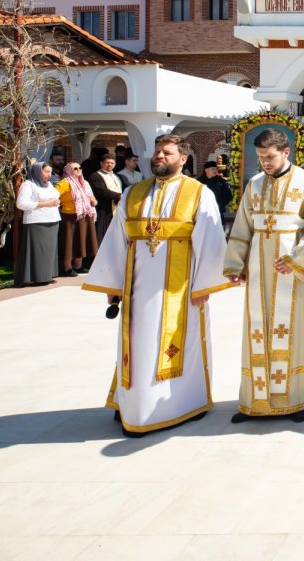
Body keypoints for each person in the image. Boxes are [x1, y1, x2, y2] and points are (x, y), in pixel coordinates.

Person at [82, 134, 233, 436]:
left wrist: (203, 286)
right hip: (137, 290)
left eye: (167, 152)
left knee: (178, 344)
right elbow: (116, 240)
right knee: (137, 345)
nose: (160, 157)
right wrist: (113, 285)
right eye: (157, 152)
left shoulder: (198, 193)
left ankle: (181, 404)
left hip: (181, 290)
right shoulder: (133, 193)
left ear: (183, 158)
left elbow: (211, 242)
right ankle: (134, 403)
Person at [223, 129, 304, 423]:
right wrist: (234, 264)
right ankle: (256, 400)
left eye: (269, 157)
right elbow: (243, 227)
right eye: (260, 158)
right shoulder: (254, 184)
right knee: (258, 328)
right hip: (259, 270)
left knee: (292, 329)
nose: (264, 163)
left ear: (286, 153)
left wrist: (296, 260)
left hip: (291, 271)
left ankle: (297, 398)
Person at [14, 162, 61, 286]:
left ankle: (47, 275)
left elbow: (53, 198)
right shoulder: (28, 185)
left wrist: (56, 202)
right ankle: (35, 276)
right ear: (37, 171)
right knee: (38, 250)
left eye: (50, 172)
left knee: (49, 250)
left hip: (52, 219)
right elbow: (21, 204)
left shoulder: (49, 184)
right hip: (37, 221)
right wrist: (45, 204)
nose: (49, 175)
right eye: (46, 171)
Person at [56, 162, 99, 277]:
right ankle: (67, 267)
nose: (78, 170)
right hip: (70, 216)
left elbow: (91, 196)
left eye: (80, 168)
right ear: (69, 171)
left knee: (82, 240)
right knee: (69, 242)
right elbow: (53, 194)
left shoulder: (85, 182)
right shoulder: (65, 183)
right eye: (75, 169)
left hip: (85, 215)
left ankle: (78, 265)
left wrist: (94, 201)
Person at [87, 154, 123, 245]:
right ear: (101, 163)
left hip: (116, 209)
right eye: (107, 162)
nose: (109, 165)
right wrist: (119, 196)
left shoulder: (117, 176)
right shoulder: (95, 176)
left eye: (112, 163)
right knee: (102, 235)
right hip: (103, 210)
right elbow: (102, 191)